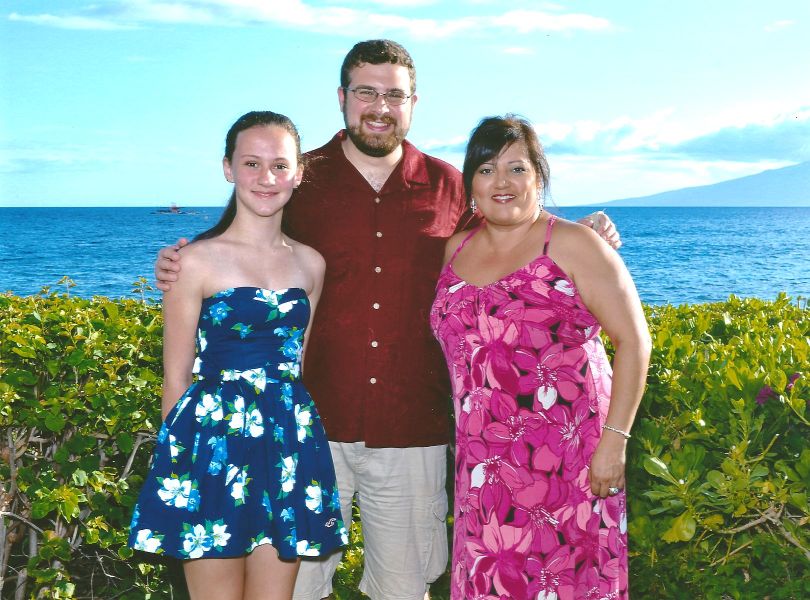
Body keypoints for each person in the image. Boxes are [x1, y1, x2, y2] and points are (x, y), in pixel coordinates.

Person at [154, 40, 622, 600]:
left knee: (402, 589)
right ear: (342, 98)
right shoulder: (303, 177)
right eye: (366, 92)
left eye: (394, 95)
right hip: (307, 429)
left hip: (411, 432)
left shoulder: (450, 185)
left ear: (414, 102)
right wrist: (182, 261)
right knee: (295, 591)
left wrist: (584, 230)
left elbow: (511, 225)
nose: (380, 106)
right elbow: (249, 235)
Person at [430, 115, 651, 599]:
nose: (501, 182)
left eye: (517, 168)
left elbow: (635, 341)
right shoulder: (455, 250)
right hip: (484, 464)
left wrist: (614, 443)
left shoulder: (572, 243)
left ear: (539, 176)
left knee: (566, 580)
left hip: (570, 462)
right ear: (470, 183)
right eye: (486, 170)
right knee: (491, 580)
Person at [128, 111, 348, 600]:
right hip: (211, 447)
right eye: (251, 163)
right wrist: (178, 470)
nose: (266, 178)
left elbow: (298, 366)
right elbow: (175, 378)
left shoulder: (312, 263)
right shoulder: (194, 261)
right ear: (228, 168)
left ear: (298, 172)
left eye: (279, 165)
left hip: (287, 445)